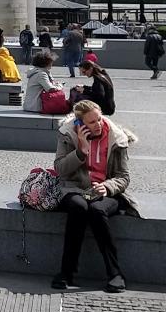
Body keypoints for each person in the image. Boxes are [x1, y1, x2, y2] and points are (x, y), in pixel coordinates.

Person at [51, 100, 138, 293]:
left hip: (106, 192)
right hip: (74, 188)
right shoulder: (67, 135)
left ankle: (115, 274)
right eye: (91, 122)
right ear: (80, 124)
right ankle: (66, 272)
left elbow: (123, 177)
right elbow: (60, 170)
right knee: (78, 207)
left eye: (99, 119)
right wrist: (81, 151)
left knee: (97, 210)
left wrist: (107, 187)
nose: (98, 124)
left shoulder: (117, 139)